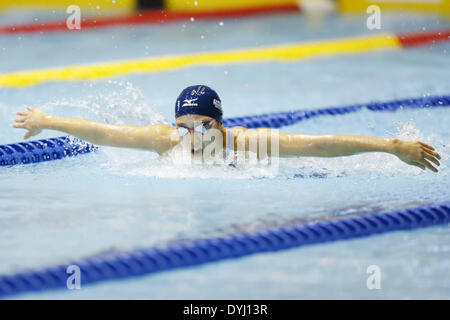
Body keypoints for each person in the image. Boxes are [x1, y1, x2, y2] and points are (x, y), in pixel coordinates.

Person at [12, 85, 440, 172]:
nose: (193, 138)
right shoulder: (165, 143)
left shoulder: (249, 145)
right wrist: (45, 120)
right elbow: (102, 132)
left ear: (221, 123)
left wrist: (391, 146)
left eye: (203, 127)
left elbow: (321, 145)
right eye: (184, 128)